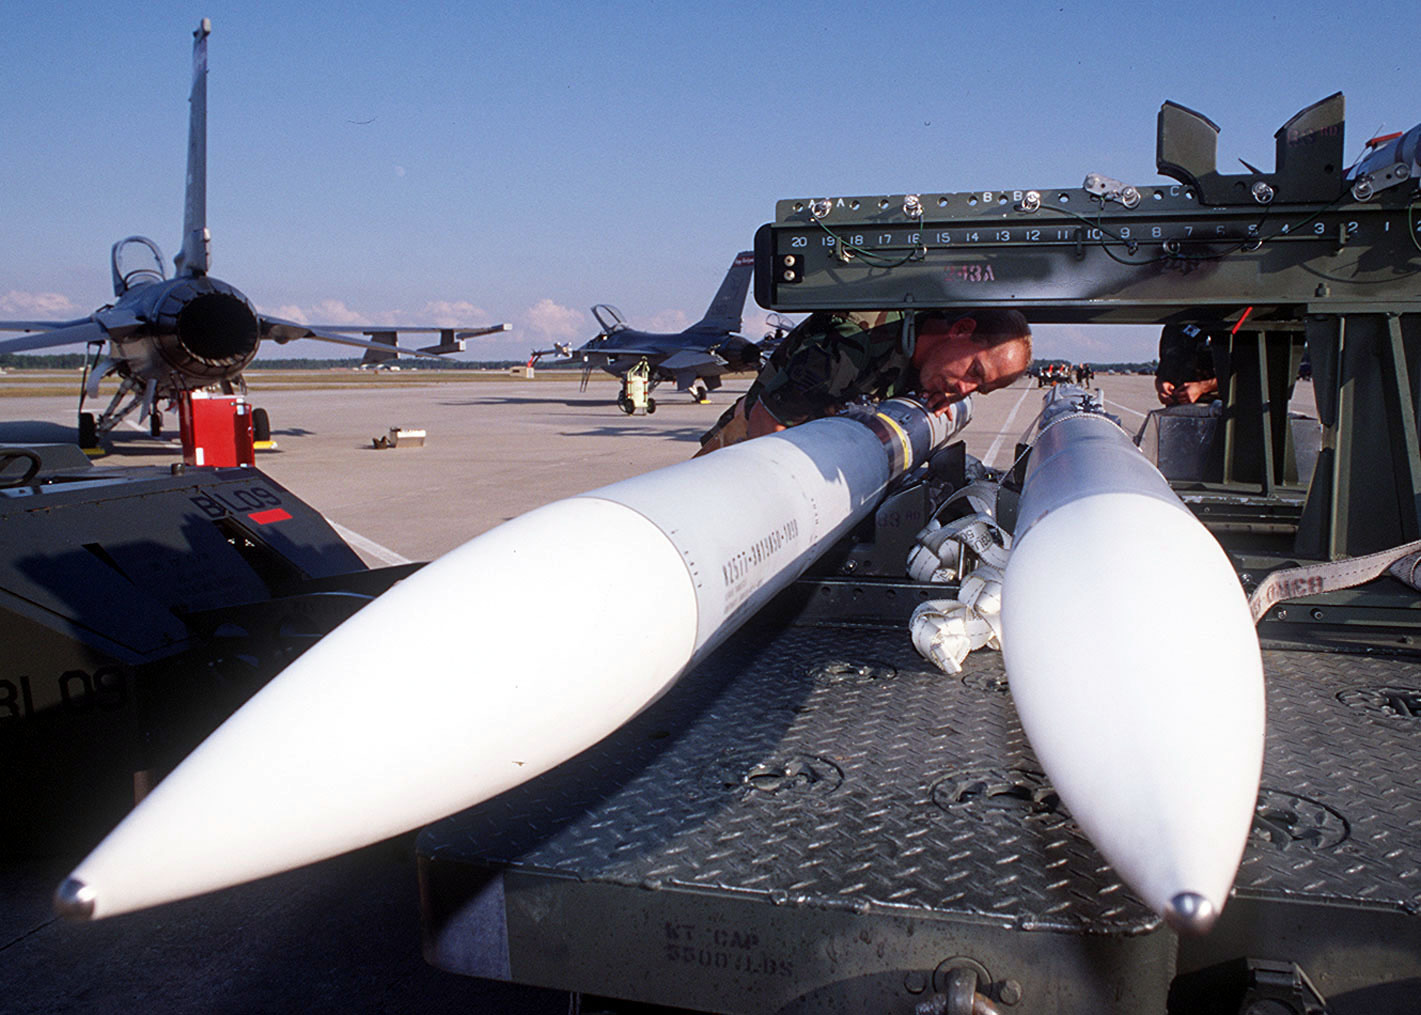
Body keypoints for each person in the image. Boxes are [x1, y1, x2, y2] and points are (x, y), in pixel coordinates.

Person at [697, 308, 1032, 453]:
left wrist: (937, 390)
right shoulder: (855, 341)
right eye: (974, 372)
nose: (966, 389)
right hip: (742, 444)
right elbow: (767, 422)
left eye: (980, 390)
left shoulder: (928, 353)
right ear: (960, 330)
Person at [1155, 322, 1222, 406]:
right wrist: (1162, 386)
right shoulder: (1172, 328)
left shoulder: (1225, 324)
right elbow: (1162, 372)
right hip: (1178, 410)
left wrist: (1202, 388)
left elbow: (1239, 373)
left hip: (1215, 407)